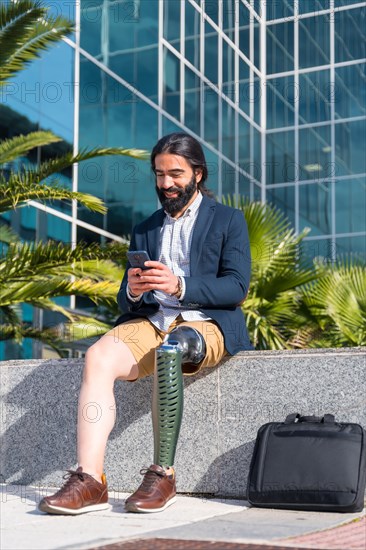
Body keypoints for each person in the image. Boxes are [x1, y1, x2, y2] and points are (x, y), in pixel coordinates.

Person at [38, 132, 252, 516]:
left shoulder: (229, 220)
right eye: (159, 174)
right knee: (99, 357)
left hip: (205, 323)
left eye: (176, 174)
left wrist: (180, 284)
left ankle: (162, 474)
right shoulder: (145, 227)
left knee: (172, 350)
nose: (166, 183)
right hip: (153, 319)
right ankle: (90, 480)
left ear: (198, 174)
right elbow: (125, 298)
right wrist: (134, 290)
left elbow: (236, 286)